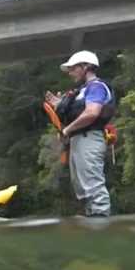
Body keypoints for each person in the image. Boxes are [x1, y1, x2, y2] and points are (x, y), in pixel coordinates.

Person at [45, 50, 115, 217]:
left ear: (87, 67)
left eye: (73, 68)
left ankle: (101, 225)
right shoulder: (81, 91)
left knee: (93, 187)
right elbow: (75, 111)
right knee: (82, 189)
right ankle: (93, 224)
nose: (70, 73)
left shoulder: (96, 87)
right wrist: (59, 104)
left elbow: (92, 113)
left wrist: (67, 130)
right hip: (78, 141)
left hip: (89, 139)